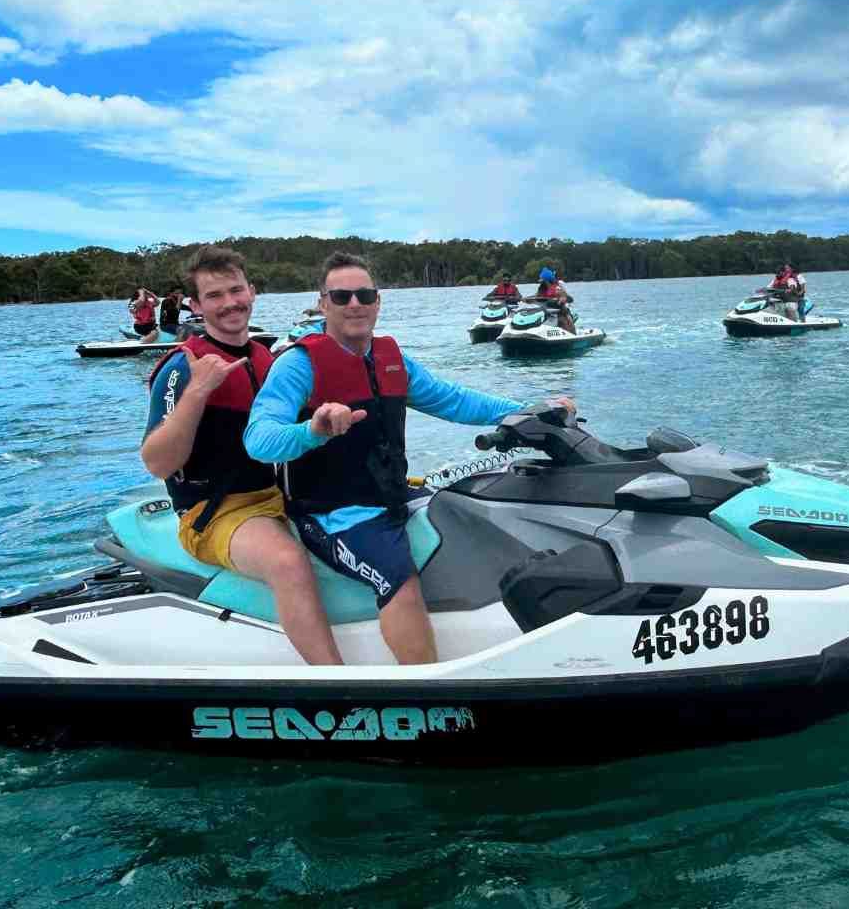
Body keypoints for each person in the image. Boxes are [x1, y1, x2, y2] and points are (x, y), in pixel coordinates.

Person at [244, 251, 575, 666]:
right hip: (334, 513)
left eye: (364, 294)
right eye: (341, 296)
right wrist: (313, 430)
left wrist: (530, 409)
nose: (354, 304)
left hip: (393, 496)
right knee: (400, 581)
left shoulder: (390, 359)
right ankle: (428, 690)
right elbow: (258, 440)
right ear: (323, 302)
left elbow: (453, 400)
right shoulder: (298, 365)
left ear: (378, 301)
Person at [141, 245, 342, 666]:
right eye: (214, 296)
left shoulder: (264, 358)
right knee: (288, 562)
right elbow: (157, 462)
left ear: (251, 291)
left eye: (236, 290)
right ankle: (339, 684)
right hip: (212, 514)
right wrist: (198, 391)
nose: (229, 303)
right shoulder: (184, 367)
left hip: (275, 497)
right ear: (195, 305)